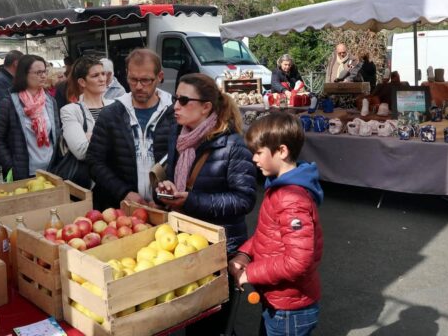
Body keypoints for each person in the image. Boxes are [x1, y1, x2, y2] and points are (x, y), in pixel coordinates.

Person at [155, 73, 257, 333]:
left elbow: (244, 200)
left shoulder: (233, 145)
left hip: (219, 248)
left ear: (206, 107)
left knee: (214, 325)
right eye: (176, 98)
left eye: (184, 100)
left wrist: (191, 200)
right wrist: (168, 189)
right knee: (193, 320)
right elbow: (184, 181)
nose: (175, 105)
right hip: (187, 242)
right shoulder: (180, 136)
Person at [230, 112, 323, 336]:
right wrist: (245, 254)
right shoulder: (280, 187)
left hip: (290, 310)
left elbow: (298, 262)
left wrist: (250, 273)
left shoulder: (292, 198)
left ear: (282, 151)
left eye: (258, 153)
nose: (254, 159)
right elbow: (269, 234)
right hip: (280, 300)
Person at [87, 49, 176, 210]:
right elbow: (94, 162)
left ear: (159, 77)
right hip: (120, 209)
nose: (139, 86)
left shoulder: (175, 114)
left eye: (146, 80)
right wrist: (124, 192)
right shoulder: (111, 114)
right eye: (133, 79)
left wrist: (164, 198)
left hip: (165, 208)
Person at [0, 54, 60, 180]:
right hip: (24, 172)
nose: (43, 76)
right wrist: (11, 165)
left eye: (44, 71)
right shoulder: (9, 103)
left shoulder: (49, 101)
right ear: (24, 74)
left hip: (51, 170)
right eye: (38, 72)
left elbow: (56, 134)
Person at [59, 56, 113, 187]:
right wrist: (112, 137)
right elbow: (82, 152)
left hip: (116, 180)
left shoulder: (115, 105)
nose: (102, 79)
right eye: (95, 76)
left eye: (103, 74)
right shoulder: (70, 110)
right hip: (91, 183)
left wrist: (91, 136)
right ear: (82, 82)